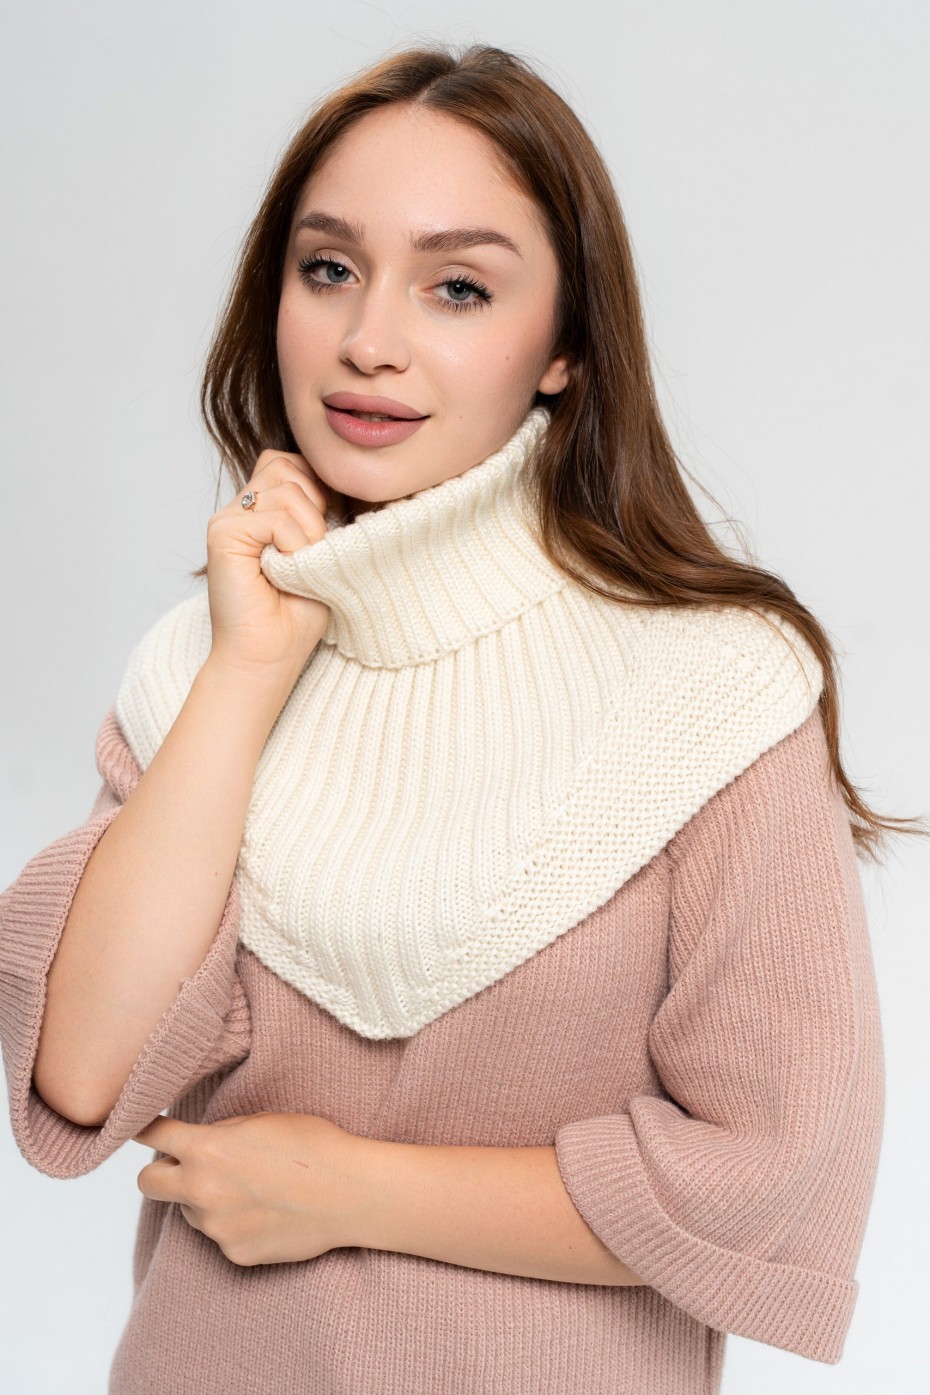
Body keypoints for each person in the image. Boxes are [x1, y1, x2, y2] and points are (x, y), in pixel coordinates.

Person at [0, 41, 915, 1395]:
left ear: (565, 349)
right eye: (328, 269)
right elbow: (82, 1076)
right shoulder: (202, 665)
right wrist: (247, 673)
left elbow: (768, 1174)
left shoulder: (713, 688)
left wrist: (353, 1190)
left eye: (459, 287)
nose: (369, 338)